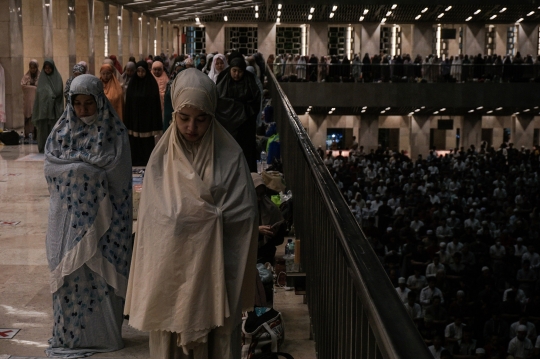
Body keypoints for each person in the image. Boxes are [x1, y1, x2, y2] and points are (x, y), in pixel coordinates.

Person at [125, 69, 258, 359]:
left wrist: (203, 219)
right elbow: (152, 223)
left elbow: (244, 216)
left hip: (217, 278)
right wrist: (198, 218)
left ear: (212, 115)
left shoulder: (231, 157)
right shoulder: (160, 160)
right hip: (171, 276)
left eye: (201, 119)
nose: (192, 128)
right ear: (173, 115)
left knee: (217, 343)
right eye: (184, 118)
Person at [44, 74, 132, 357]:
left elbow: (119, 181)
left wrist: (85, 174)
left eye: (88, 103)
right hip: (68, 224)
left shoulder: (114, 134)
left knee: (101, 280)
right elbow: (51, 168)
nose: (82, 110)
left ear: (100, 102)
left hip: (107, 228)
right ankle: (70, 336)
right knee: (70, 279)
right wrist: (83, 172)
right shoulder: (60, 132)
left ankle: (104, 335)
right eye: (77, 104)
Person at [217, 55, 262, 172]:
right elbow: (220, 103)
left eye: (240, 71)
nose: (237, 74)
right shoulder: (223, 80)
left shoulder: (249, 81)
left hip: (245, 128)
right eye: (234, 71)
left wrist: (240, 109)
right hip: (228, 128)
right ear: (230, 69)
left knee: (246, 156)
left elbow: (255, 103)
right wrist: (239, 106)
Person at [124, 61, 163, 166]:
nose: (140, 73)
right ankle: (135, 160)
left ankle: (147, 160)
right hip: (134, 119)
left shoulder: (151, 84)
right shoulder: (132, 84)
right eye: (138, 71)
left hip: (147, 120)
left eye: (143, 71)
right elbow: (128, 104)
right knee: (135, 142)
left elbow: (155, 104)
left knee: (146, 144)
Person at [252, 173, 285, 265]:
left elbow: (279, 240)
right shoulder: (239, 207)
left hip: (264, 253)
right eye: (256, 194)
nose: (259, 198)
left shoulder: (269, 208)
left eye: (262, 194)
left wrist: (274, 231)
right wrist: (256, 230)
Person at [32, 59, 64, 153]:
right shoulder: (42, 79)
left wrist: (50, 95)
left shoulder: (57, 78)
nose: (47, 70)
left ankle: (54, 148)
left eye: (49, 68)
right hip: (43, 111)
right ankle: (43, 147)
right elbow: (39, 93)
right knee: (43, 129)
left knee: (54, 129)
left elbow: (58, 91)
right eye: (45, 68)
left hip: (55, 109)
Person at [20, 59, 40, 138]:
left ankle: (37, 135)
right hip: (28, 102)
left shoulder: (40, 76)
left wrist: (33, 88)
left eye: (34, 68)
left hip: (37, 102)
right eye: (31, 68)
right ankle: (28, 134)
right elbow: (23, 86)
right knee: (28, 118)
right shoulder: (26, 77)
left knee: (36, 117)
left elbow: (41, 87)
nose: (32, 69)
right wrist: (34, 88)